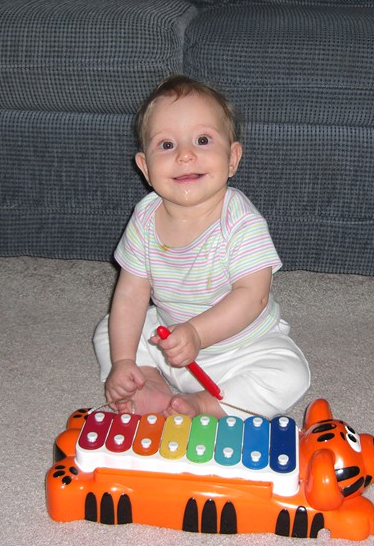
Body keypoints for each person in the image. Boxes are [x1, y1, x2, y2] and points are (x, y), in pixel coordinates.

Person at [93, 75, 310, 418]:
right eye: (167, 145)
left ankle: (208, 404)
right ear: (145, 167)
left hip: (239, 350)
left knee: (290, 373)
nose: (185, 155)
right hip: (168, 343)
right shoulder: (144, 218)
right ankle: (150, 384)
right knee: (110, 331)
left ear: (232, 158)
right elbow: (131, 294)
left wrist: (196, 333)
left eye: (203, 140)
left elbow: (253, 296)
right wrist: (122, 361)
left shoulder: (241, 221)